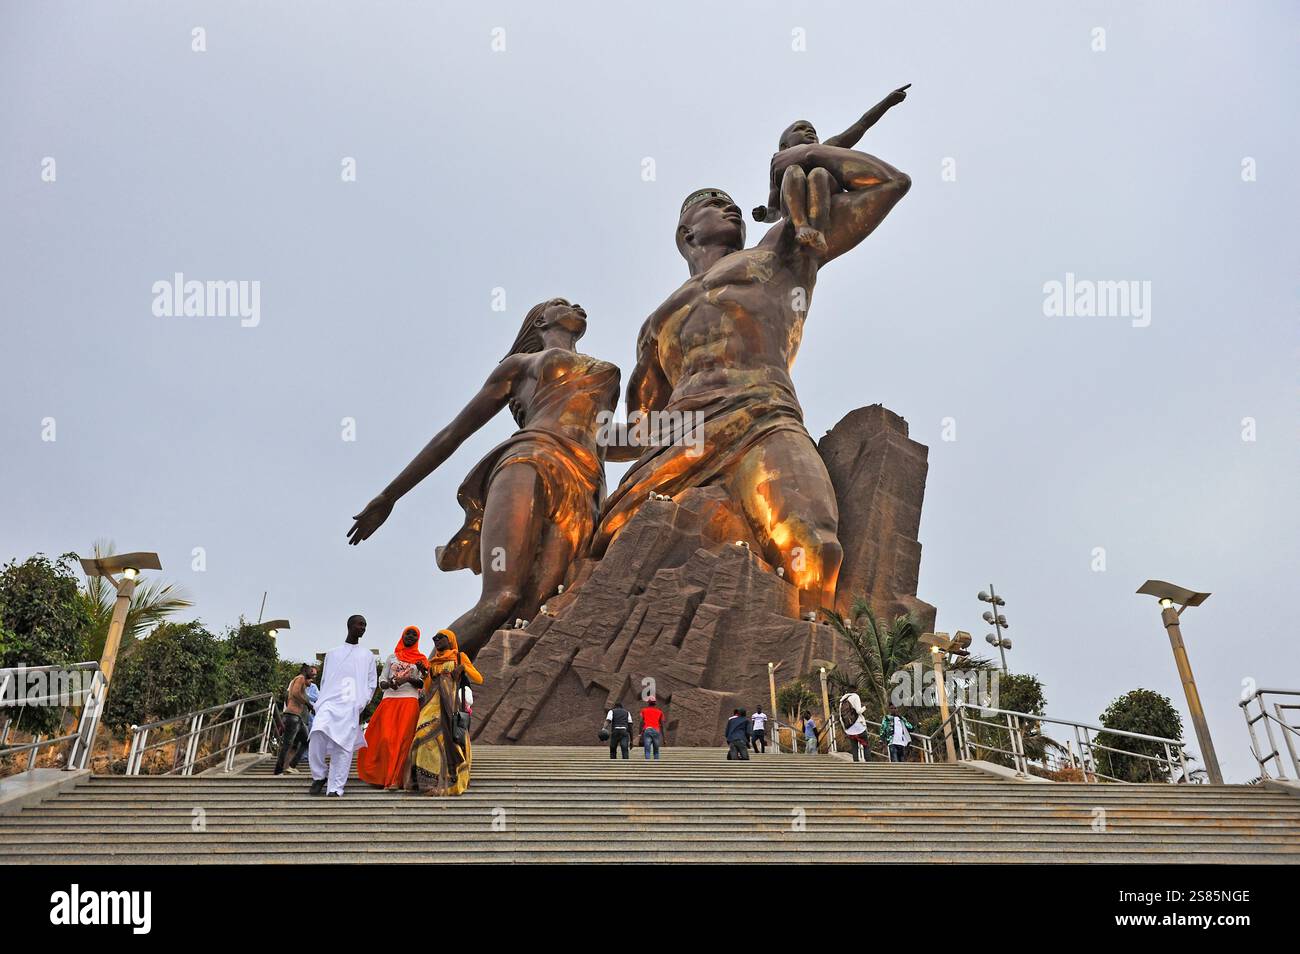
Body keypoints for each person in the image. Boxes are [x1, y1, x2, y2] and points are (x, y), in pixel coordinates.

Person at [592, 129, 911, 619]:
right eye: (712, 202)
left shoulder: (780, 252)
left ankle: (812, 671)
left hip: (764, 414)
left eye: (732, 202)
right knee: (609, 554)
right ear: (686, 233)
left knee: (814, 546)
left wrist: (804, 154)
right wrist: (580, 437)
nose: (730, 207)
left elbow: (889, 184)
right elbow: (643, 427)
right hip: (679, 434)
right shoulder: (657, 323)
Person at [348, 299, 624, 659]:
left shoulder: (604, 371)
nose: (576, 305)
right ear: (540, 321)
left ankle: (488, 701)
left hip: (586, 485)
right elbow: (452, 435)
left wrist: (698, 424)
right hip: (530, 460)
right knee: (501, 598)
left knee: (539, 610)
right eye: (561, 303)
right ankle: (416, 686)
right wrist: (389, 497)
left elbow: (610, 436)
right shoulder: (520, 366)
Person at [752, 84, 911, 256]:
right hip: (794, 209)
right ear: (784, 146)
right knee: (793, 171)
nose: (810, 133)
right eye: (801, 129)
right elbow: (774, 211)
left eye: (812, 131)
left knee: (818, 173)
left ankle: (818, 230)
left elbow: (860, 126)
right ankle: (801, 225)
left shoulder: (825, 148)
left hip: (825, 197)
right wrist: (764, 214)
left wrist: (887, 103)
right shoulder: (777, 166)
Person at [407, 629, 484, 796]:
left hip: (451, 703)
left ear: (450, 640)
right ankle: (425, 781)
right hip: (432, 704)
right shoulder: (433, 661)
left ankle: (449, 779)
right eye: (434, 638)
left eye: (440, 637)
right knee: (422, 734)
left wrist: (463, 668)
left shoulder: (459, 657)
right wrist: (425, 673)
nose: (436, 640)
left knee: (450, 738)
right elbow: (427, 687)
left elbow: (479, 678)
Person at [308, 615, 377, 797]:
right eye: (360, 624)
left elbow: (372, 683)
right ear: (350, 625)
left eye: (365, 625)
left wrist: (362, 702)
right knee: (316, 734)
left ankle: (335, 787)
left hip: (351, 706)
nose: (363, 628)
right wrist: (322, 700)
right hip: (329, 703)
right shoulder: (332, 653)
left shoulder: (367, 655)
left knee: (343, 746)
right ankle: (319, 775)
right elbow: (325, 680)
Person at [357, 625, 427, 789]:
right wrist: (389, 684)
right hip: (389, 700)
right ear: (402, 636)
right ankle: (381, 777)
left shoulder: (421, 659)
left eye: (414, 635)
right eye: (407, 633)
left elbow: (423, 683)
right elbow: (381, 680)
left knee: (403, 741)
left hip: (409, 701)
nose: (410, 636)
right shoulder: (392, 657)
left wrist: (408, 680)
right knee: (386, 739)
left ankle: (396, 779)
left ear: (418, 639)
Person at [274, 664, 316, 776]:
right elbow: (295, 693)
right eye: (310, 672)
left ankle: (291, 766)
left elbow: (290, 696)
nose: (311, 675)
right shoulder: (300, 678)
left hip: (297, 717)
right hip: (293, 716)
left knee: (306, 741)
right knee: (287, 744)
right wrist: (308, 704)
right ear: (305, 670)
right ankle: (278, 770)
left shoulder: (296, 681)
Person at [839, 691, 872, 762]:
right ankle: (869, 764)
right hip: (859, 727)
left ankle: (856, 764)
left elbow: (841, 718)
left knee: (854, 748)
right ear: (855, 690)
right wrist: (865, 707)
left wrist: (845, 729)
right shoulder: (855, 697)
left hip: (850, 729)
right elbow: (858, 711)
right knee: (866, 745)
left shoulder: (842, 701)